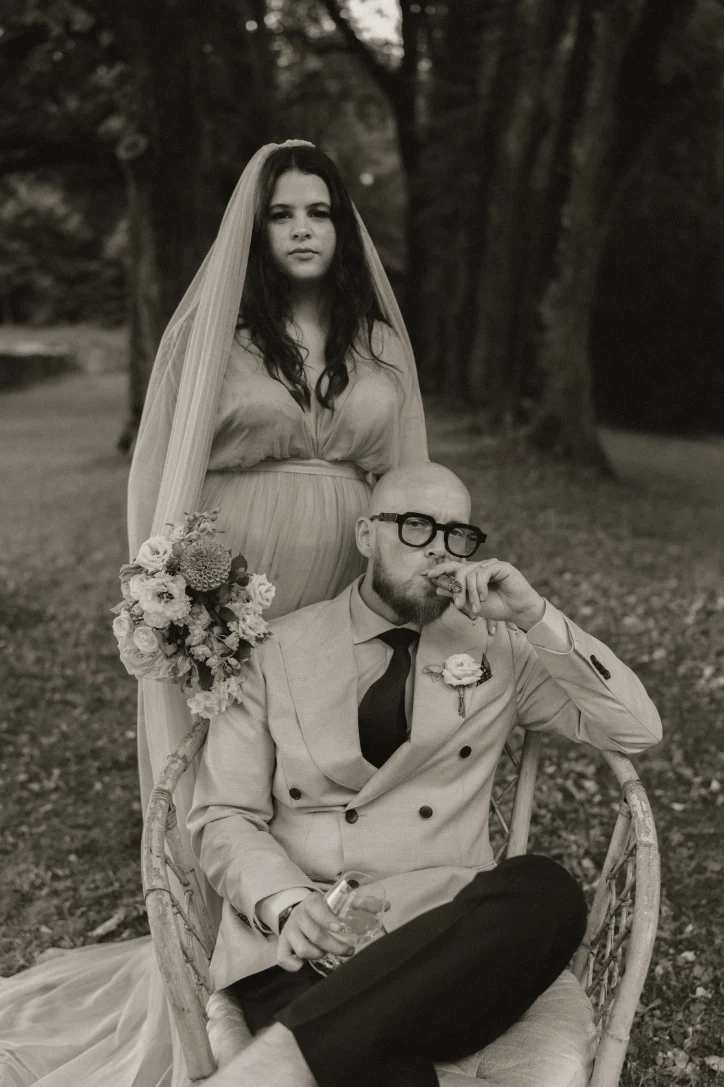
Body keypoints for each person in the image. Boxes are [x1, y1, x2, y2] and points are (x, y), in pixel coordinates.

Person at [0, 141, 426, 1087]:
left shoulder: (378, 344)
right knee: (223, 780)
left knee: (316, 765)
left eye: (319, 210)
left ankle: (313, 958)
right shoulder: (218, 338)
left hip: (337, 592)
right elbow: (162, 471)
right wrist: (177, 593)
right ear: (259, 228)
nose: (303, 228)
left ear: (343, 225)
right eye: (283, 214)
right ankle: (212, 986)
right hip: (233, 590)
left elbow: (401, 479)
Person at [189, 462, 663, 1087]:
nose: (440, 548)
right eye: (415, 527)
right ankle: (302, 1052)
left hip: (444, 946)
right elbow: (224, 815)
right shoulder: (273, 652)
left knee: (545, 889)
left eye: (457, 534)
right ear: (366, 535)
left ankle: (278, 1062)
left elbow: (636, 729)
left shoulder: (499, 648)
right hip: (304, 949)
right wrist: (288, 905)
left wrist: (533, 615)